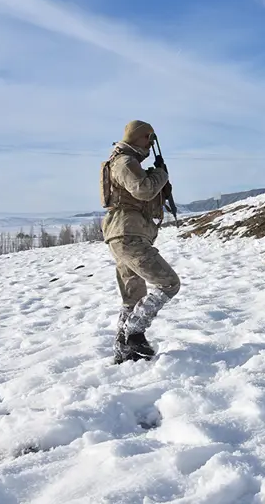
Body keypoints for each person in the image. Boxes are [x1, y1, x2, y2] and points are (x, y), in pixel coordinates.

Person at [100, 120, 181, 363]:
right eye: (149, 139)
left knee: (132, 297)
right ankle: (134, 333)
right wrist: (160, 174)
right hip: (129, 235)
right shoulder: (125, 162)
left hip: (125, 234)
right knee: (169, 283)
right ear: (140, 137)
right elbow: (143, 190)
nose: (151, 145)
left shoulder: (126, 161)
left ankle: (124, 352)